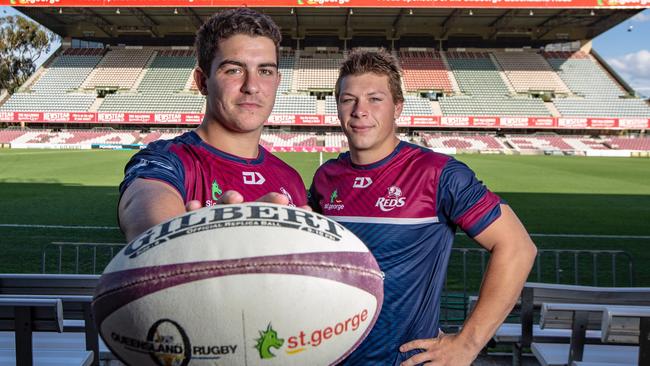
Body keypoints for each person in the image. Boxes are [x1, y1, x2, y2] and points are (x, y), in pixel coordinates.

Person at [309, 49, 537, 366]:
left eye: (375, 99)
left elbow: (517, 247)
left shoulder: (439, 173)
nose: (360, 110)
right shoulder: (325, 178)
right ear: (337, 107)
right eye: (349, 99)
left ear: (397, 107)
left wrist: (468, 344)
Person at [118, 8, 307, 242]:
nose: (252, 86)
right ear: (202, 81)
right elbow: (148, 221)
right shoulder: (167, 160)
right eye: (234, 70)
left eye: (265, 71)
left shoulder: (291, 179)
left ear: (277, 82)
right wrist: (191, 241)